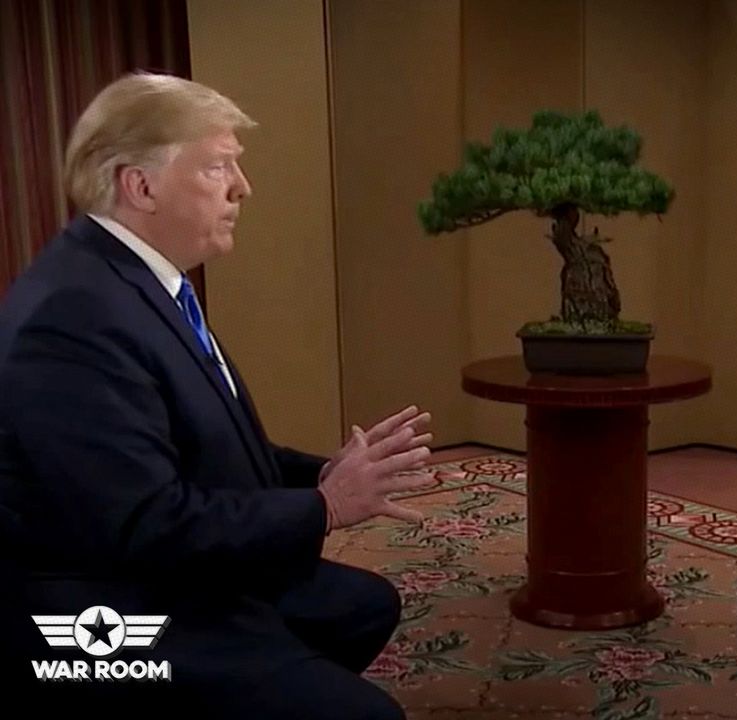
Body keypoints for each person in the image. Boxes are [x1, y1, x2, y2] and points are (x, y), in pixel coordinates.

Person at [0, 72, 435, 719]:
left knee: (364, 604)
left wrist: (321, 474)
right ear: (140, 186)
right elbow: (145, 526)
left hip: (161, 569)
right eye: (217, 167)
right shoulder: (72, 317)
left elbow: (198, 442)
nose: (242, 187)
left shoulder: (140, 281)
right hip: (107, 611)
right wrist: (326, 507)